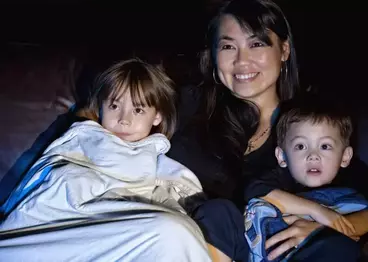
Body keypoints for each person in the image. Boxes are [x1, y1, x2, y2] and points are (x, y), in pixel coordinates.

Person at [167, 0, 368, 261]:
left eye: (256, 44)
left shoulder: (309, 125)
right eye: (228, 46)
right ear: (214, 55)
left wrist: (336, 227)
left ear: (284, 50)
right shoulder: (188, 105)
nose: (242, 60)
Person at [0, 58, 211, 262]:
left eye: (138, 110)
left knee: (175, 233)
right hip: (54, 237)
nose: (124, 120)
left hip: (117, 243)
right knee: (173, 233)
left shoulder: (165, 167)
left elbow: (187, 202)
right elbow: (46, 192)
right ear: (100, 107)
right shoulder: (81, 139)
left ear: (157, 117)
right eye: (114, 106)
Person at [244, 95, 368, 262]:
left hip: (332, 250)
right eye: (301, 146)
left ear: (345, 156)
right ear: (282, 156)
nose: (313, 156)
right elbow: (255, 190)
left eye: (325, 146)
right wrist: (317, 211)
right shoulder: (281, 177)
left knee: (340, 247)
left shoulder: (354, 177)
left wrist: (331, 228)